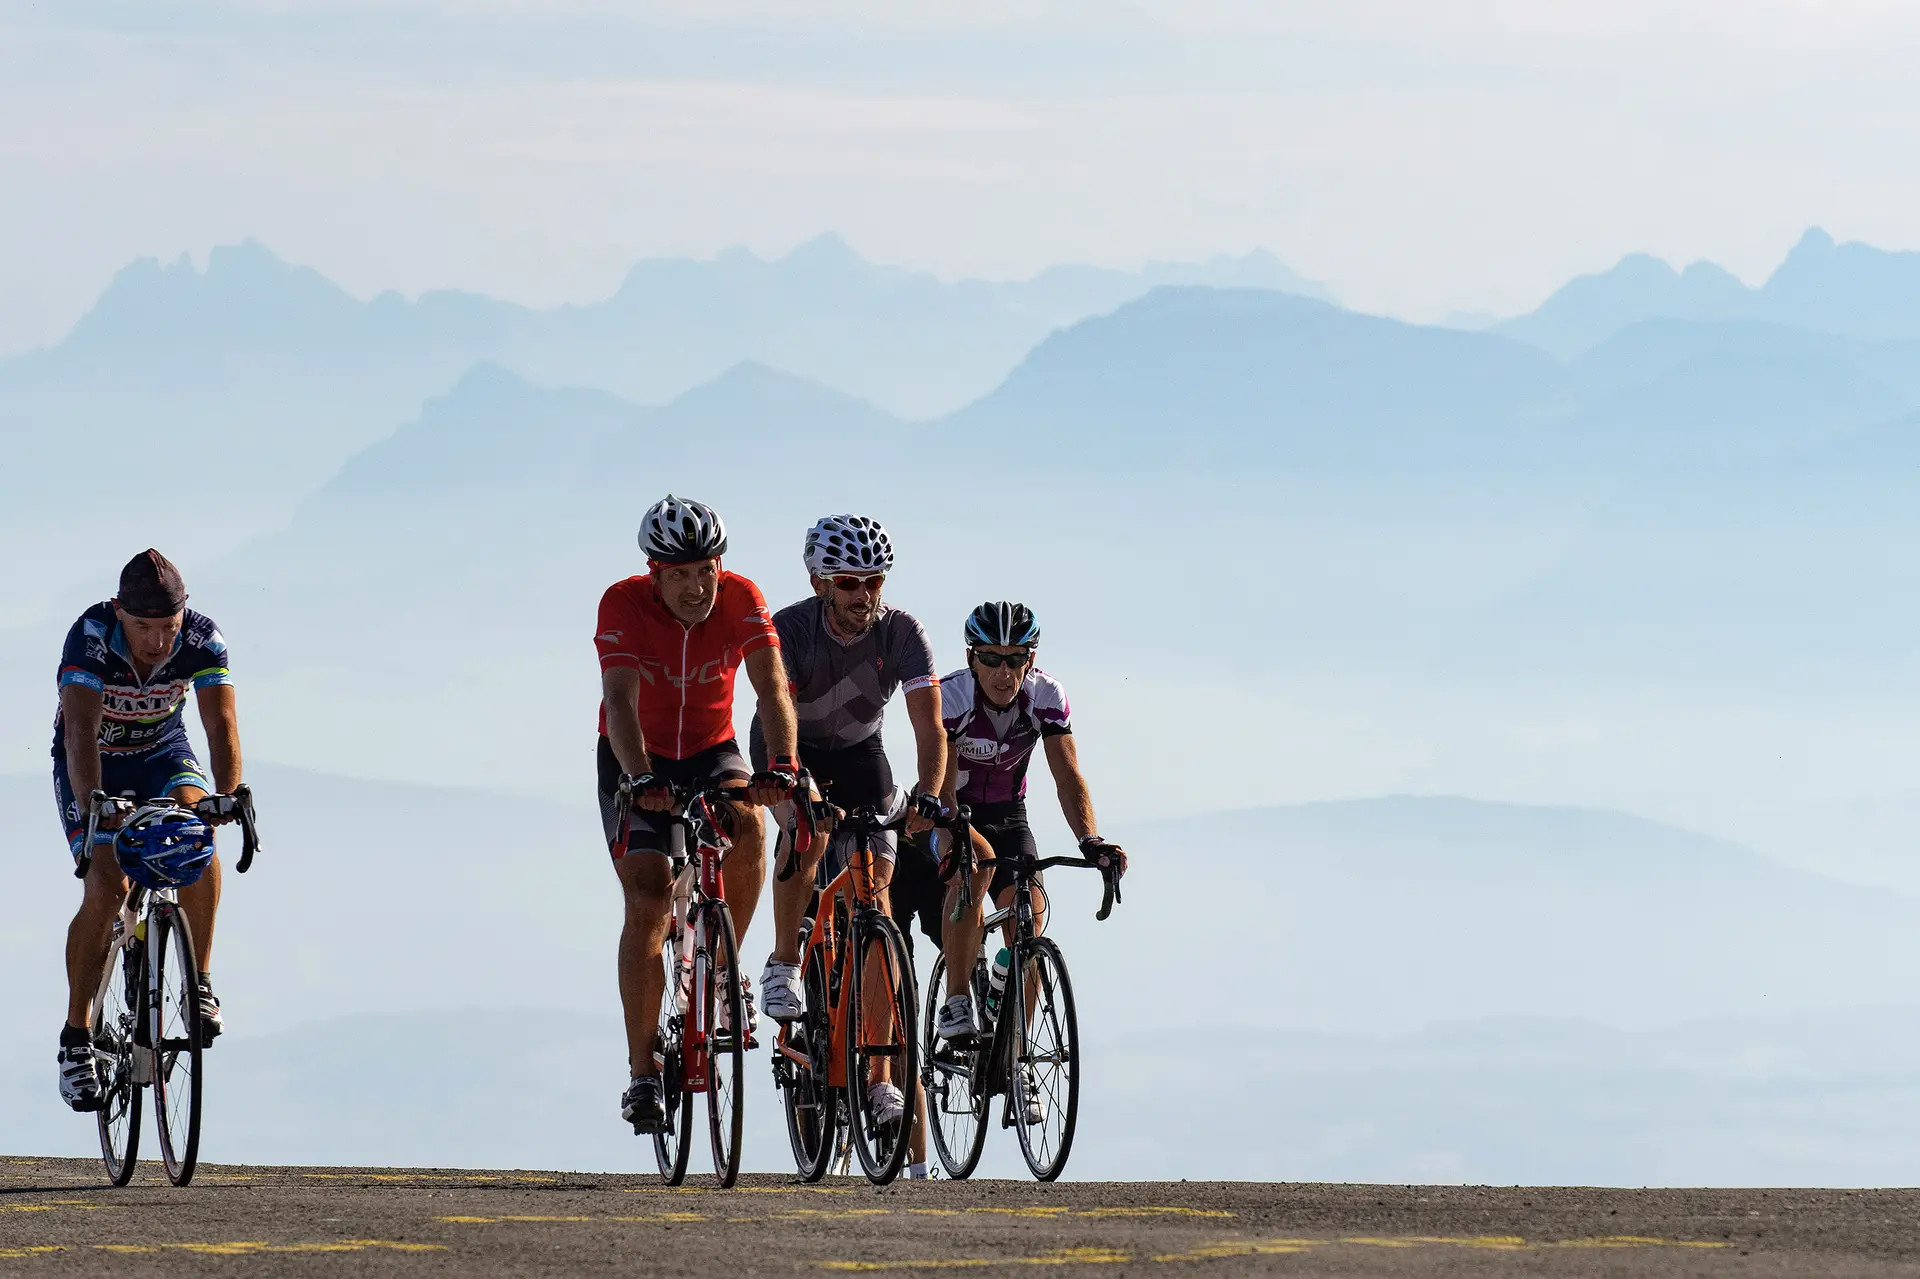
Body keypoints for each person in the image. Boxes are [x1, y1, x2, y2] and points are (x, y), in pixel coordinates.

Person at [595, 495, 801, 1134]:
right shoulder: (622, 603)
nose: (695, 585)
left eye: (705, 568)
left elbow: (771, 689)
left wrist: (785, 765)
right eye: (678, 573)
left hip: (713, 747)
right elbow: (621, 702)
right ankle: (640, 1072)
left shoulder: (742, 598)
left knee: (748, 825)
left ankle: (725, 965)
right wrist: (641, 779)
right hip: (636, 755)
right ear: (654, 574)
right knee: (649, 896)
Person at [753, 514, 947, 1136]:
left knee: (879, 906)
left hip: (863, 756)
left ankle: (882, 1081)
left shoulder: (903, 634)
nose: (863, 595)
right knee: (805, 835)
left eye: (873, 580)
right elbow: (774, 705)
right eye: (847, 583)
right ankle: (784, 964)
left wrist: (929, 795)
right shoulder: (791, 629)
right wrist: (794, 778)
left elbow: (929, 728)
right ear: (819, 582)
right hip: (788, 746)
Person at [55, 549, 246, 1112]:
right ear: (119, 614)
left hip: (163, 752)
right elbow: (81, 732)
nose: (159, 643)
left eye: (168, 627)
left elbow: (220, 723)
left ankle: (199, 982)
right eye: (143, 628)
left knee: (197, 839)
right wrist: (95, 803)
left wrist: (228, 793)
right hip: (95, 762)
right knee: (107, 888)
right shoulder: (90, 636)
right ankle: (76, 1037)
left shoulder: (204, 639)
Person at [931, 602, 1127, 1123]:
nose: (1004, 672)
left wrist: (1091, 839)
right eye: (992, 658)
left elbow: (1068, 776)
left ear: (1030, 659)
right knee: (978, 865)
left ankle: (1015, 1058)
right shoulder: (951, 695)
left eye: (1016, 659)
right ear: (972, 658)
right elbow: (943, 787)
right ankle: (956, 1001)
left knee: (1032, 922)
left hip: (1010, 814)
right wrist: (955, 833)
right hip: (955, 813)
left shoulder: (1046, 696)